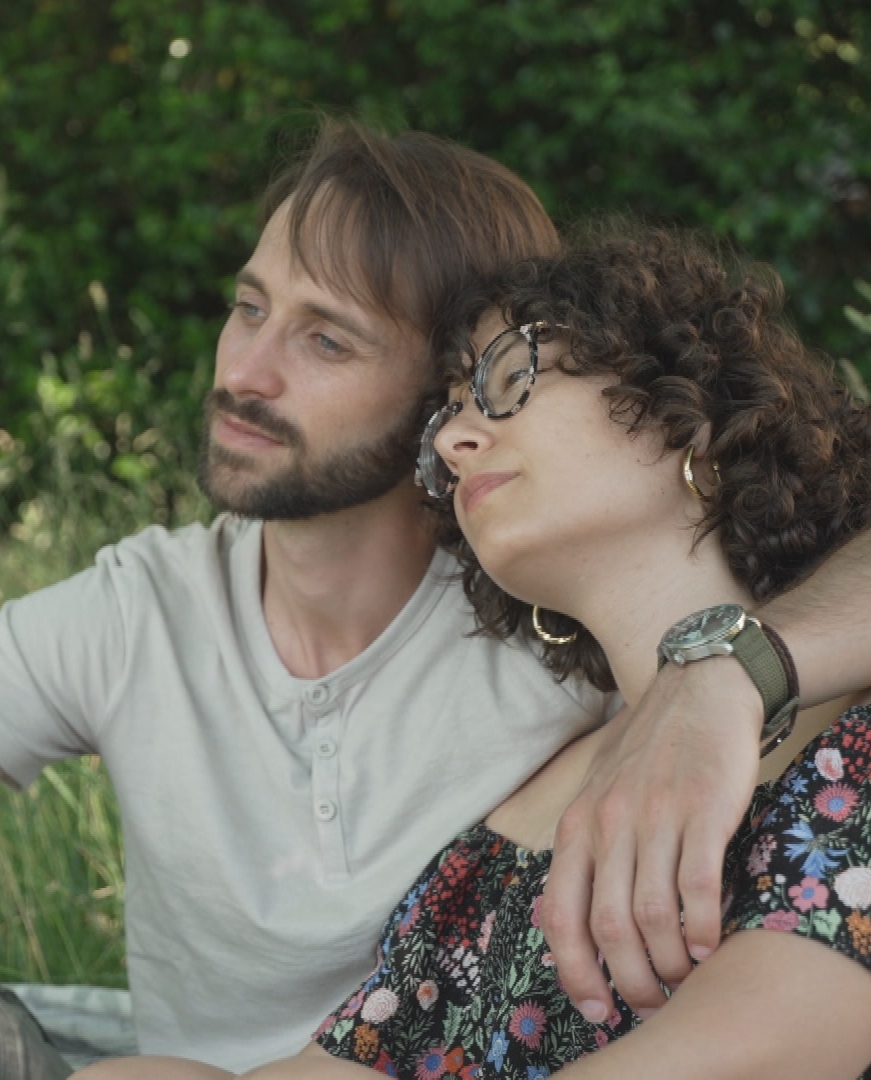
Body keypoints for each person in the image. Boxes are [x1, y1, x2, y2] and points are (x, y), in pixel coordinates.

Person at [0, 122, 871, 1080]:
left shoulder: (745, 700)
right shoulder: (149, 614)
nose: (244, 370)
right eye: (246, 307)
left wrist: (723, 668)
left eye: (324, 338)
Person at [75, 225, 871, 1079]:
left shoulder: (852, 739)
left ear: (691, 413)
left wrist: (729, 672)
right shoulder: (502, 832)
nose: (454, 441)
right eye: (448, 414)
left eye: (506, 380)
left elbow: (755, 1048)